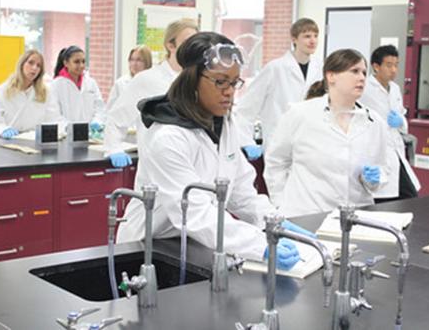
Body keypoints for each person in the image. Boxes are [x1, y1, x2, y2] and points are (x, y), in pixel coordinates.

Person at [116, 32, 313, 270]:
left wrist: (273, 221)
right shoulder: (168, 138)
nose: (230, 92)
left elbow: (241, 191)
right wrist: (259, 245)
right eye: (220, 82)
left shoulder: (222, 123)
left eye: (234, 82)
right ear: (191, 80)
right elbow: (195, 214)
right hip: (149, 247)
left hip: (193, 242)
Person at [264, 49, 391, 217]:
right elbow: (276, 162)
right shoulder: (300, 114)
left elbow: (383, 169)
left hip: (355, 216)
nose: (361, 77)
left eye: (364, 72)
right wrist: (280, 204)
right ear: (331, 76)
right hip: (306, 214)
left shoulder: (374, 122)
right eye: (354, 71)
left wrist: (374, 179)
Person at [104, 18, 198, 168]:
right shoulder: (147, 80)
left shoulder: (199, 81)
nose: (193, 47)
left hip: (192, 165)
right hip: (155, 170)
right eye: (187, 41)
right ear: (170, 45)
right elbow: (117, 119)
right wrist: (114, 149)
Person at [234, 18, 323, 156]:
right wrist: (246, 142)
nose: (313, 41)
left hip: (310, 146)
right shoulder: (275, 68)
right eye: (307, 36)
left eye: (315, 36)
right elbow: (246, 110)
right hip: (278, 146)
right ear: (294, 39)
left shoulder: (320, 69)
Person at [359, 45, 420, 200]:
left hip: (395, 149)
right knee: (384, 198)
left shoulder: (395, 89)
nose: (394, 70)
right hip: (375, 149)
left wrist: (401, 122)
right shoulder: (364, 88)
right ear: (376, 66)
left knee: (409, 195)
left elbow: (401, 117)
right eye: (389, 65)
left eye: (396, 65)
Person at [0, 49, 59, 138]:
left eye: (38, 65)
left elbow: (53, 118)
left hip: (33, 140)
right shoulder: (3, 90)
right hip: (8, 141)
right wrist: (4, 129)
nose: (34, 68)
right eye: (30, 63)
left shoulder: (45, 92)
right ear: (21, 64)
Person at [50, 45, 106, 132]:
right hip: (67, 134)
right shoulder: (56, 85)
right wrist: (72, 128)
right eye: (76, 62)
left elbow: (99, 107)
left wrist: (97, 122)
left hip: (91, 134)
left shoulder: (91, 83)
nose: (81, 65)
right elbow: (54, 114)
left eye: (83, 61)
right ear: (66, 63)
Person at [106, 45, 152, 111]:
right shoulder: (120, 84)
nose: (134, 64)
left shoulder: (153, 83)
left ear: (147, 62)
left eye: (139, 60)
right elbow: (110, 109)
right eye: (132, 60)